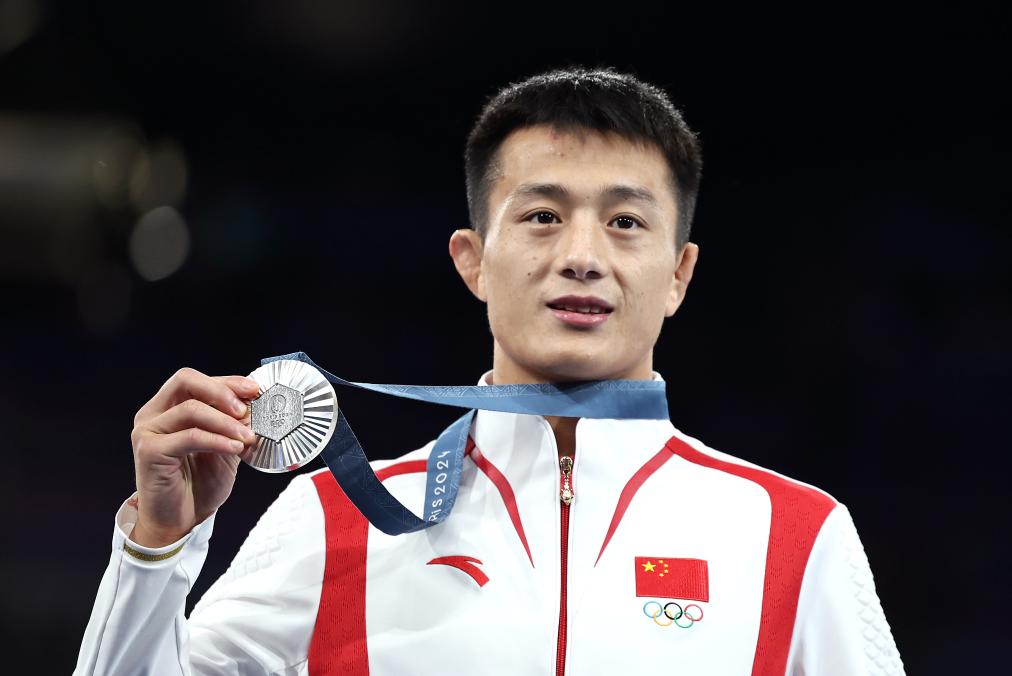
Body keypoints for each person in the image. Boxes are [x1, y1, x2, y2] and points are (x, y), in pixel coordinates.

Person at [74, 67, 903, 675]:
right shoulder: (333, 523)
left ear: (679, 274)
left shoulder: (797, 538)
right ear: (472, 260)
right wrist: (158, 545)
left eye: (625, 222)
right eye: (542, 216)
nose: (582, 256)